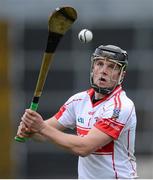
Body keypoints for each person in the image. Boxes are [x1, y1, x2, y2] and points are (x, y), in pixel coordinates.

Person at [17, 45, 137, 179]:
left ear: (122, 75)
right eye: (100, 64)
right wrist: (31, 130)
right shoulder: (78, 101)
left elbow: (84, 148)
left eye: (111, 67)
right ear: (93, 68)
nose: (103, 71)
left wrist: (41, 127)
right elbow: (43, 135)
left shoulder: (120, 107)